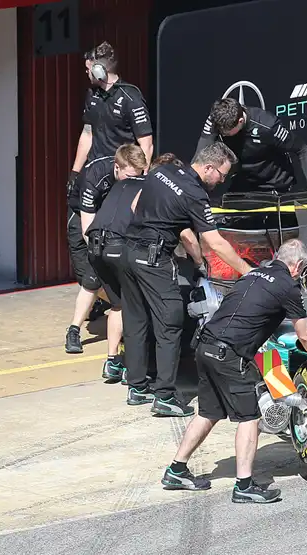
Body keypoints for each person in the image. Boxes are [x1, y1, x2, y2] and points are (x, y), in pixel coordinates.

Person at [160, 238, 307, 502]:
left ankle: (176, 470)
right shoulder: (287, 285)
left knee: (208, 412)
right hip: (229, 355)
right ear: (297, 266)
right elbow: (305, 334)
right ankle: (244, 486)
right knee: (249, 419)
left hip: (206, 347)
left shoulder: (252, 274)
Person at [120, 142, 253, 415]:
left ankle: (136, 387)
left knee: (135, 320)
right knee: (170, 324)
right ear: (208, 167)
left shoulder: (162, 171)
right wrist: (248, 270)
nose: (222, 180)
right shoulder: (195, 193)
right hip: (154, 259)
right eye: (221, 174)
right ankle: (165, 396)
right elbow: (213, 241)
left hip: (128, 252)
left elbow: (134, 205)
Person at [83, 144, 149, 380]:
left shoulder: (116, 187)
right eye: (133, 175)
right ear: (117, 167)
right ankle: (135, 364)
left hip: (96, 246)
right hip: (116, 245)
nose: (137, 179)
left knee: (118, 305)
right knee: (135, 306)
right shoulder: (144, 187)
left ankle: (112, 361)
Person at [64, 146, 132, 353]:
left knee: (98, 279)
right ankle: (73, 330)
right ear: (117, 168)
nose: (132, 181)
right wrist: (99, 255)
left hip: (112, 221)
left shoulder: (136, 175)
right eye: (129, 176)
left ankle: (115, 312)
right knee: (88, 277)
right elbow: (87, 227)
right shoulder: (94, 176)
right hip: (83, 220)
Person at [69, 41, 153, 184]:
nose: (86, 73)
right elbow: (87, 133)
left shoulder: (131, 98)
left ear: (98, 71)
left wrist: (140, 179)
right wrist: (75, 173)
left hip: (120, 175)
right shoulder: (92, 94)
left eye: (89, 69)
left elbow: (146, 144)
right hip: (95, 173)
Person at [192, 97, 307, 193]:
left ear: (240, 121)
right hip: (244, 181)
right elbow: (201, 154)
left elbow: (302, 149)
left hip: (274, 184)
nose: (222, 134)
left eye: (226, 132)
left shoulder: (267, 126)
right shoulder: (216, 120)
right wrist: (188, 182)